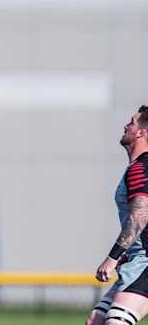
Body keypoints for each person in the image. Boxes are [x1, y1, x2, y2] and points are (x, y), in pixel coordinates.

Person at [89, 106, 148, 325]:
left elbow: (141, 214)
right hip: (138, 259)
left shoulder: (141, 167)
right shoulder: (138, 166)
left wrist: (112, 257)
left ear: (141, 132)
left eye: (132, 122)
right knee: (96, 320)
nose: (126, 126)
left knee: (117, 320)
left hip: (145, 261)